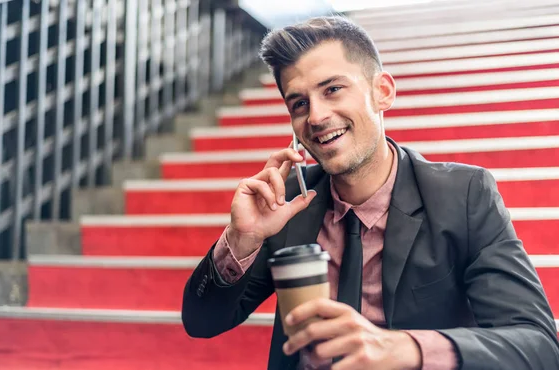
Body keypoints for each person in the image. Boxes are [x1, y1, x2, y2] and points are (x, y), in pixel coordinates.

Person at [182, 16, 559, 369]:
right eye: (299, 103)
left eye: (333, 89)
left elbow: (539, 345)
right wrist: (241, 239)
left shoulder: (464, 194)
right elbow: (201, 322)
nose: (315, 116)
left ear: (382, 92)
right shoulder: (290, 204)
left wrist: (406, 348)